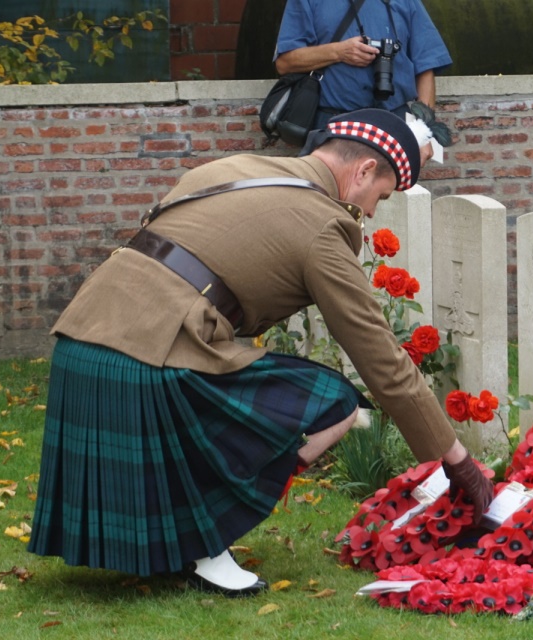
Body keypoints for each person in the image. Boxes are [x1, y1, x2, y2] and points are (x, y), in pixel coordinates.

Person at [27, 109, 494, 598]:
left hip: (82, 348)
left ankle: (186, 537)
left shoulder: (234, 167)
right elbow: (384, 364)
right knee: (334, 402)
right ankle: (210, 539)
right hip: (147, 362)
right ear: (362, 171)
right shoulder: (322, 227)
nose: (374, 212)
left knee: (245, 382)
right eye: (380, 195)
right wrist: (455, 461)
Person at [274, 0, 451, 129]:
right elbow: (285, 63)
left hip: (395, 120)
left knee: (395, 182)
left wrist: (424, 130)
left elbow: (426, 65)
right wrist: (339, 52)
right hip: (332, 122)